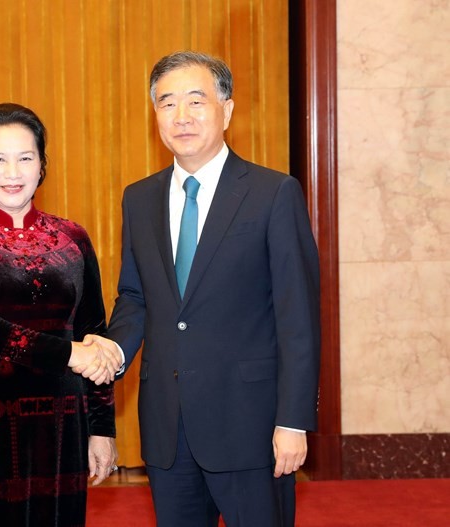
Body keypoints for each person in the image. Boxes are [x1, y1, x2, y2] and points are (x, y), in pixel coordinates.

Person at [84, 51, 321, 526]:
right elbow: (135, 297)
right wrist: (111, 349)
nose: (182, 117)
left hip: (251, 425)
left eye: (197, 101)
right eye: (167, 104)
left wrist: (293, 420)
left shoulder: (273, 193)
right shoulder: (140, 197)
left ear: (226, 110)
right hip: (168, 428)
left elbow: (298, 317)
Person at [0, 102, 122, 526]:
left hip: (63, 422)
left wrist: (101, 427)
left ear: (42, 165)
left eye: (25, 158)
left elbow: (94, 333)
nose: (12, 172)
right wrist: (70, 354)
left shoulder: (72, 237)